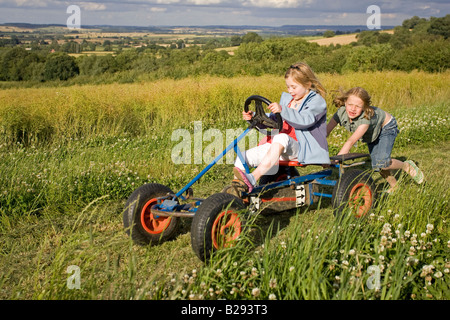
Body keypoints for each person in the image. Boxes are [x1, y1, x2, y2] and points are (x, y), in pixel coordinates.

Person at [233, 62, 330, 192]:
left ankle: (252, 178)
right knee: (242, 156)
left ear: (307, 84)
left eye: (294, 87)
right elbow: (275, 120)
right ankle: (238, 190)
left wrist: (283, 110)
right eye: (288, 87)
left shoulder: (316, 102)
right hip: (279, 147)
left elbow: (306, 120)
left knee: (281, 137)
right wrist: (255, 117)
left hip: (301, 148)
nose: (290, 91)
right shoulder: (288, 100)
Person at [326, 87, 424, 193]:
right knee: (377, 165)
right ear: (345, 102)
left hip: (386, 127)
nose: (353, 109)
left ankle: (406, 166)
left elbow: (350, 142)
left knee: (383, 162)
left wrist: (336, 159)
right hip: (372, 134)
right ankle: (395, 187)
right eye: (350, 104)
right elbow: (326, 132)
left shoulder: (365, 119)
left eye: (358, 106)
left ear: (364, 107)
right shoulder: (340, 113)